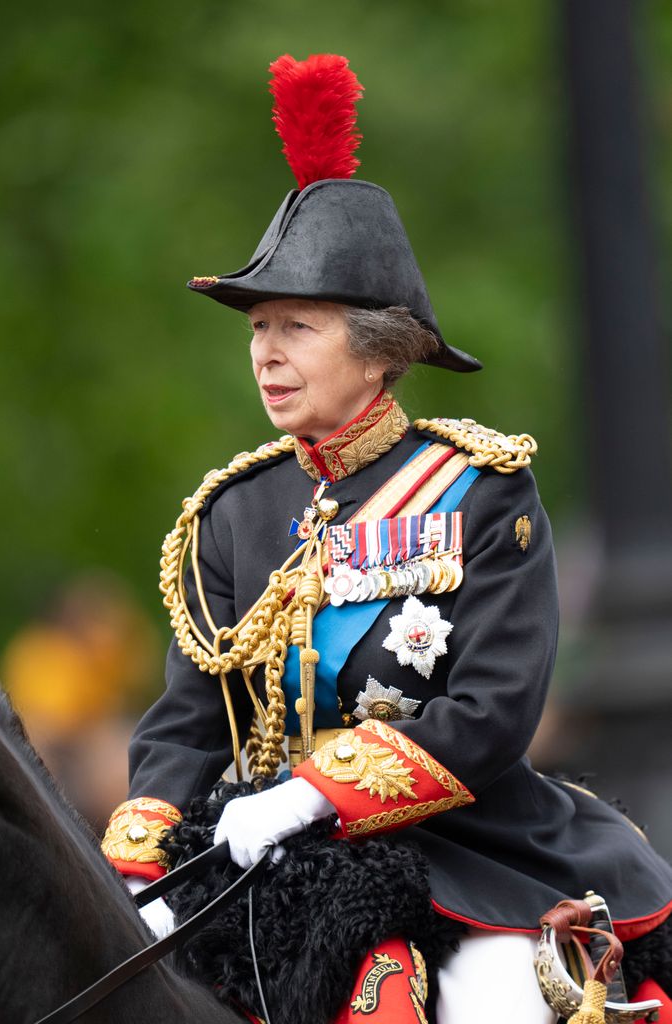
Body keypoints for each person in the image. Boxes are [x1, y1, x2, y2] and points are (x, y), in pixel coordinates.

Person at [102, 54, 672, 1024]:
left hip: (462, 843)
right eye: (256, 329)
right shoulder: (231, 509)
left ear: (377, 346)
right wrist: (139, 842)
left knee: (498, 1002)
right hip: (250, 847)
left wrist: (312, 793)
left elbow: (491, 712)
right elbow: (186, 717)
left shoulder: (477, 491)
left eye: (294, 327)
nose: (265, 353)